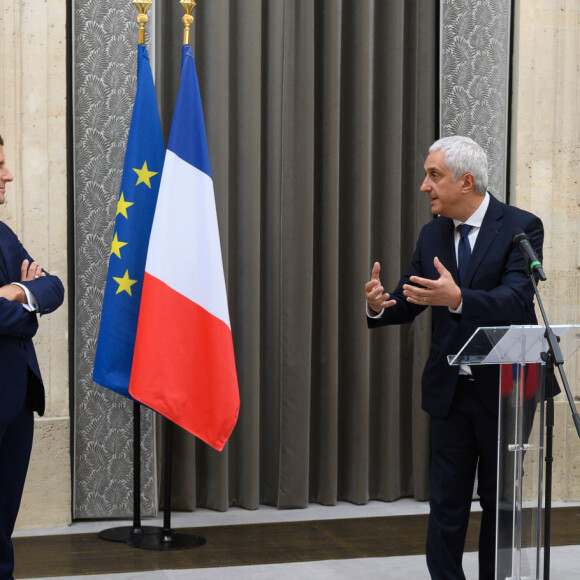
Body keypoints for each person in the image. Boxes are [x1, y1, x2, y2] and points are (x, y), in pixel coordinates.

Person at [365, 136, 543, 580]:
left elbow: (517, 299)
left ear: (466, 182)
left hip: (507, 390)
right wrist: (380, 304)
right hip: (450, 393)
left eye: (434, 176)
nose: (425, 186)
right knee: (446, 504)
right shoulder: (433, 233)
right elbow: (413, 297)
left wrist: (460, 297)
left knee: (501, 503)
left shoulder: (521, 227)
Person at [0, 134, 65, 579]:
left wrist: (18, 293)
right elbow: (29, 312)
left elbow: (53, 287)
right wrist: (27, 305)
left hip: (18, 400)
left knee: (2, 524)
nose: (7, 174)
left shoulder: (3, 234)